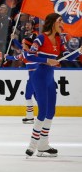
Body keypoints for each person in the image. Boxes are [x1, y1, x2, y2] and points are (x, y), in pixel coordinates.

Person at [25, 13, 64, 158]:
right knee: (42, 112)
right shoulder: (41, 38)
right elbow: (29, 56)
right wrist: (47, 60)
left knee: (51, 112)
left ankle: (43, 144)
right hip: (39, 77)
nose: (62, 24)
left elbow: (66, 56)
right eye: (60, 21)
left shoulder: (59, 39)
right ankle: (32, 145)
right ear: (53, 22)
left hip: (49, 79)